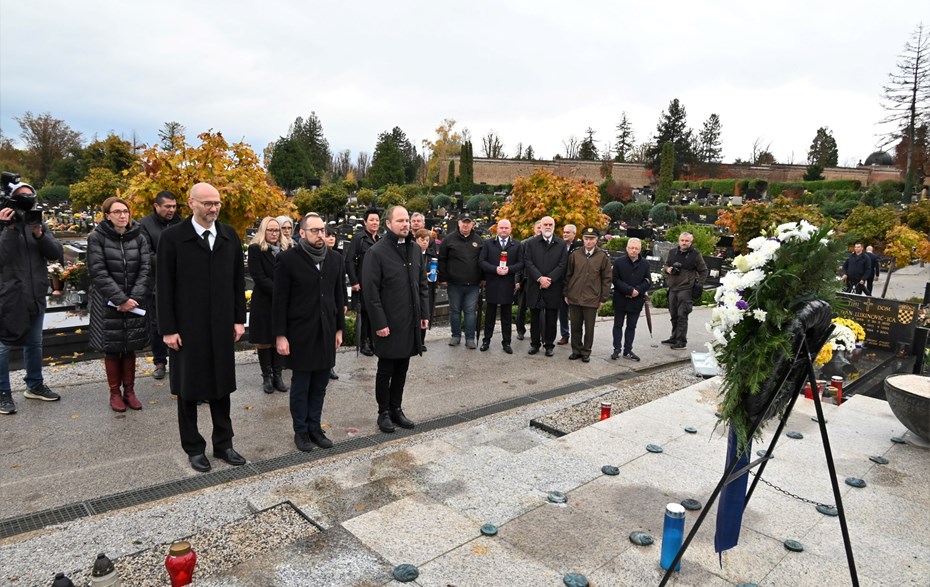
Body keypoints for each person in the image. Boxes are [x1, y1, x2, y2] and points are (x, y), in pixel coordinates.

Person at [158, 182, 247, 473]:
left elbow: (237, 282)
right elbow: (165, 287)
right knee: (188, 389)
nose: (213, 208)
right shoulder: (173, 238)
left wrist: (238, 319)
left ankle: (224, 443)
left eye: (216, 203)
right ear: (191, 203)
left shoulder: (228, 235)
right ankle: (194, 448)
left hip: (221, 326)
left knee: (222, 387)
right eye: (207, 203)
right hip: (188, 327)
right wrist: (168, 329)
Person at [274, 213, 346, 452]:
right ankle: (301, 431)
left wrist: (339, 328)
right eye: (314, 230)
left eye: (322, 230)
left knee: (320, 385)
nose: (320, 235)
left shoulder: (334, 259)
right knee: (302, 385)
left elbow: (338, 296)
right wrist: (280, 335)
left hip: (326, 331)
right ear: (302, 233)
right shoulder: (288, 260)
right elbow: (280, 300)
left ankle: (315, 427)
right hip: (300, 333)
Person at [361, 205, 429, 434]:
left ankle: (397, 408)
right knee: (386, 369)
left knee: (403, 368)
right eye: (400, 221)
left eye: (407, 220)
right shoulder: (377, 252)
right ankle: (383, 413)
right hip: (388, 323)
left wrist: (424, 315)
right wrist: (380, 323)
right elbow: (371, 292)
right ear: (388, 224)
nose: (405, 224)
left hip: (410, 321)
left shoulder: (415, 249)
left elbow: (421, 285)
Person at [0, 181, 64, 415]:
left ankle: (34, 384)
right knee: (3, 347)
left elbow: (56, 253)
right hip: (8, 295)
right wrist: (7, 228)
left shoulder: (37, 223)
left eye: (30, 195)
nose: (27, 199)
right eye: (22, 196)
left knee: (35, 343)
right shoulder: (3, 224)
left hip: (35, 293)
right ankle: (2, 392)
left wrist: (39, 234)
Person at [87, 197, 151, 412]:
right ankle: (115, 393)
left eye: (125, 211)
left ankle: (130, 392)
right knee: (113, 348)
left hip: (134, 301)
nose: (123, 215)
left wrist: (133, 298)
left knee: (130, 346)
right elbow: (98, 271)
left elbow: (145, 269)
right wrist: (120, 299)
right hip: (108, 303)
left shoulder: (139, 237)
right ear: (107, 215)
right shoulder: (97, 238)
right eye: (117, 212)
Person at [138, 190, 181, 380]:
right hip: (155, 283)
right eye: (167, 207)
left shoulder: (180, 222)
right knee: (157, 324)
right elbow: (147, 254)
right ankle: (159, 361)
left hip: (179, 282)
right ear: (156, 206)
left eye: (174, 206)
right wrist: (174, 261)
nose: (172, 210)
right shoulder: (144, 225)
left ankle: (179, 360)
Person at [247, 217, 290, 394]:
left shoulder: (287, 249)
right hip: (264, 301)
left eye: (277, 230)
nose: (274, 233)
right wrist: (280, 292)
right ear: (263, 231)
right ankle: (267, 375)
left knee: (278, 338)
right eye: (270, 230)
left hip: (283, 302)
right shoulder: (255, 249)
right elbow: (258, 275)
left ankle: (278, 375)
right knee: (265, 340)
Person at [563, 227, 611, 362]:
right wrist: (566, 292)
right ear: (582, 239)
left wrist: (603, 298)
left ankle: (586, 351)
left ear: (596, 240)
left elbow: (606, 278)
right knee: (575, 326)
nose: (588, 242)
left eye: (591, 239)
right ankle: (576, 350)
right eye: (586, 239)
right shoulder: (575, 254)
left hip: (592, 297)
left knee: (589, 328)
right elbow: (568, 275)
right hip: (574, 296)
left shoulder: (602, 256)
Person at [478, 219, 524, 354]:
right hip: (493, 282)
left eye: (506, 228)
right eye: (501, 228)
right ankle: (486, 340)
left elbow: (521, 263)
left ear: (510, 229)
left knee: (506, 315)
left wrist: (509, 269)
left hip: (508, 283)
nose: (504, 230)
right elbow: (482, 261)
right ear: (497, 229)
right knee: (490, 315)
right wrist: (494, 269)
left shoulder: (517, 245)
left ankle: (507, 342)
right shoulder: (488, 243)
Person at [524, 216, 568, 357]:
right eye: (545, 224)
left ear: (554, 226)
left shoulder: (560, 244)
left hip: (553, 286)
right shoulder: (531, 243)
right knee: (535, 317)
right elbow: (528, 262)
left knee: (551, 317)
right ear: (540, 226)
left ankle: (549, 345)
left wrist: (549, 279)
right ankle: (535, 344)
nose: (548, 227)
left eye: (550, 224)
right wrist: (540, 278)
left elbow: (562, 264)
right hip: (535, 286)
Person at [438, 215, 483, 349]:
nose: (465, 225)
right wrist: (443, 278)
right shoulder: (448, 239)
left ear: (472, 225)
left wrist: (483, 278)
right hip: (454, 283)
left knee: (470, 311)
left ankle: (470, 338)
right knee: (455, 310)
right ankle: (456, 335)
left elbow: (483, 260)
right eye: (463, 223)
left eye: (468, 223)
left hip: (473, 284)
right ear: (458, 223)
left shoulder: (479, 240)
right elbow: (442, 259)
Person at [662, 232, 707, 350]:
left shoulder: (696, 255)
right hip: (673, 288)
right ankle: (674, 337)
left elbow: (703, 271)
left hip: (686, 289)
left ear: (691, 242)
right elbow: (665, 266)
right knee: (673, 314)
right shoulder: (672, 252)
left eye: (687, 241)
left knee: (682, 314)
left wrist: (699, 284)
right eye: (682, 240)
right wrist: (668, 269)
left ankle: (681, 341)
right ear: (679, 241)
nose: (684, 243)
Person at [345, 209, 380, 356]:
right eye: (371, 220)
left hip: (377, 283)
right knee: (365, 313)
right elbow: (349, 260)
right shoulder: (359, 239)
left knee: (375, 312)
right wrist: (354, 281)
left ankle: (373, 342)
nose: (375, 223)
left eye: (377, 220)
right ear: (365, 222)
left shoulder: (380, 239)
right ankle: (364, 342)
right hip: (363, 282)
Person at [611, 238, 651, 361]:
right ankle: (616, 349)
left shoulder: (645, 264)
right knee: (618, 325)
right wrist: (629, 290)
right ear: (627, 249)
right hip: (621, 299)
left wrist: (638, 290)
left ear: (640, 250)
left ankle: (628, 349)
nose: (634, 250)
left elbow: (647, 280)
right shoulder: (619, 262)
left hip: (636, 300)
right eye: (631, 248)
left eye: (636, 248)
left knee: (631, 326)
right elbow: (615, 279)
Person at [514, 220, 542, 341]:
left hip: (538, 282)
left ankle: (537, 333)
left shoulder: (546, 244)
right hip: (525, 280)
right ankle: (520, 330)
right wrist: (517, 280)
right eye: (538, 227)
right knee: (521, 308)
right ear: (534, 229)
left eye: (542, 227)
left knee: (537, 310)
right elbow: (519, 263)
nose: (540, 230)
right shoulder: (525, 243)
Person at [324, 224, 346, 379]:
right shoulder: (319, 256)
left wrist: (344, 302)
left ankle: (330, 365)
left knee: (333, 334)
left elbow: (341, 283)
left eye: (333, 236)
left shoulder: (338, 256)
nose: (332, 238)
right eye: (328, 235)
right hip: (323, 301)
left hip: (334, 301)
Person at [415, 228, 439, 352]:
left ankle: (422, 341)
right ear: (416, 240)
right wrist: (424, 275)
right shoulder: (412, 254)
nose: (424, 242)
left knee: (425, 312)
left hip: (428, 288)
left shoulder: (431, 255)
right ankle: (414, 340)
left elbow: (435, 269)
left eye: (427, 240)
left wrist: (435, 275)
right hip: (415, 288)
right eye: (422, 240)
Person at [558, 224, 581, 345]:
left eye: (568, 232)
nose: (565, 234)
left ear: (574, 234)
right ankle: (564, 334)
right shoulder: (560, 245)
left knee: (575, 313)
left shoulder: (579, 246)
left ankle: (577, 337)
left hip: (575, 284)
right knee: (562, 311)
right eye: (564, 232)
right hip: (562, 283)